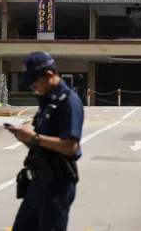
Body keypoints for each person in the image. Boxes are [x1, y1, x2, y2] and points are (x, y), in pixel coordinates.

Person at [7, 51, 84, 231]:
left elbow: (70, 147)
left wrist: (33, 137)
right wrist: (24, 137)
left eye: (35, 83)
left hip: (56, 185)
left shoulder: (68, 102)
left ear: (49, 75)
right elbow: (42, 143)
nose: (33, 87)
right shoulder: (47, 101)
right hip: (36, 182)